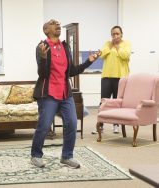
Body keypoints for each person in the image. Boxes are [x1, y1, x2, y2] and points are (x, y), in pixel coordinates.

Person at [31, 19, 101, 168]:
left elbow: (71, 71)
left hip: (65, 93)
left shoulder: (65, 46)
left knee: (72, 123)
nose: (57, 24)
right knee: (44, 126)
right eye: (53, 23)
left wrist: (88, 61)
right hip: (48, 93)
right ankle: (36, 155)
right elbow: (42, 74)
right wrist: (43, 58)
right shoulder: (41, 47)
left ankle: (67, 156)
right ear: (46, 30)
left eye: (58, 23)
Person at [92, 26, 131, 134]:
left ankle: (116, 125)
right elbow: (102, 55)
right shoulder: (107, 44)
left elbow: (125, 56)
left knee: (116, 102)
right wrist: (110, 46)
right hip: (107, 76)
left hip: (121, 77)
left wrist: (117, 46)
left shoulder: (126, 44)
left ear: (121, 34)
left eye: (117, 34)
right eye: (113, 34)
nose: (115, 36)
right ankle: (100, 125)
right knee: (103, 102)